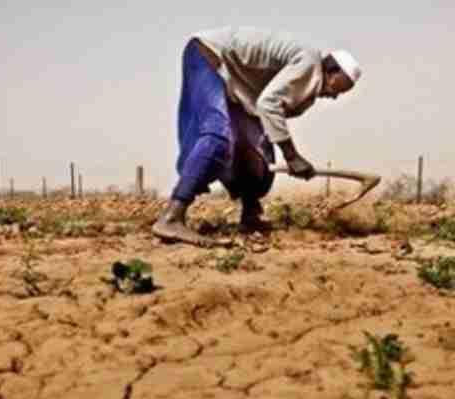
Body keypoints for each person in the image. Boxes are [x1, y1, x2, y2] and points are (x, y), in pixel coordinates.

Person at [152, 26, 362, 246]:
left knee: (260, 158)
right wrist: (292, 156)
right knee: (217, 136)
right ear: (333, 70)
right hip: (211, 58)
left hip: (237, 85)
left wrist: (284, 154)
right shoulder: (310, 64)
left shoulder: (308, 76)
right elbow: (269, 104)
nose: (336, 96)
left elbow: (265, 115)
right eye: (341, 87)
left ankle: (250, 212)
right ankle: (172, 216)